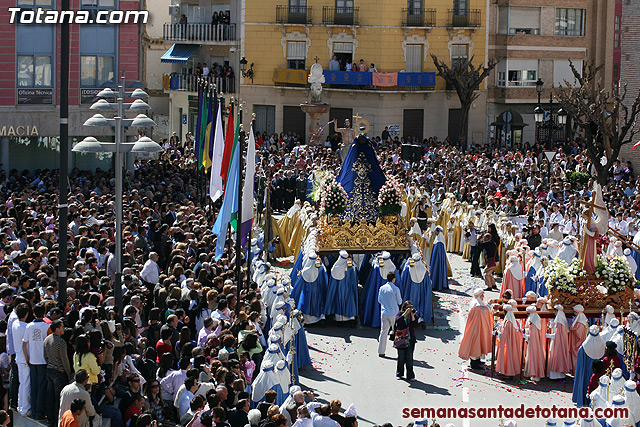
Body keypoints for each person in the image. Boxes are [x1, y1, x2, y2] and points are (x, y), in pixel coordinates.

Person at [24, 302, 50, 420]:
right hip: (43, 361)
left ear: (34, 313)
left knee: (33, 387)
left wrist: (27, 358)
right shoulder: (47, 327)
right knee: (41, 387)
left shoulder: (28, 326)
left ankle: (34, 411)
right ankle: (39, 413)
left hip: (32, 360)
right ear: (44, 313)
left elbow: (24, 343)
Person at [44, 319, 72, 426]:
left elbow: (45, 356)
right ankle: (57, 421)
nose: (63, 328)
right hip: (59, 372)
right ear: (57, 329)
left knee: (49, 397)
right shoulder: (61, 342)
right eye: (62, 326)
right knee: (58, 399)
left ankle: (50, 420)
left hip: (49, 370)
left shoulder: (47, 339)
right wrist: (68, 374)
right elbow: (64, 360)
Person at [458, 288, 493, 370]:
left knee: (479, 343)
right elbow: (486, 310)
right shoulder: (477, 306)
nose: (483, 297)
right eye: (482, 295)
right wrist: (489, 304)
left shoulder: (476, 303)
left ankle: (477, 361)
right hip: (476, 327)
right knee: (476, 344)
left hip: (477, 326)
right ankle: (474, 363)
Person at [572, 325, 605, 407]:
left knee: (587, 384)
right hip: (599, 369)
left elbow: (580, 357)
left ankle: (585, 401)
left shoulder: (585, 345)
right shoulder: (602, 343)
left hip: (587, 369)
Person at [324, 250, 358, 323]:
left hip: (342, 289)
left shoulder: (336, 267)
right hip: (346, 289)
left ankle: (342, 319)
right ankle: (346, 319)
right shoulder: (350, 268)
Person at [398, 252, 432, 325]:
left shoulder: (408, 268)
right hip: (420, 291)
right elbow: (428, 284)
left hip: (410, 290)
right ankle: (419, 317)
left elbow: (403, 279)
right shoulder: (424, 270)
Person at [376, 271, 402, 358]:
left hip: (384, 312)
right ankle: (399, 351)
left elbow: (379, 300)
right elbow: (400, 301)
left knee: (383, 332)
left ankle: (381, 351)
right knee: (397, 332)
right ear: (394, 279)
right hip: (394, 313)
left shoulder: (382, 288)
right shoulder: (396, 289)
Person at [494, 304, 522, 377]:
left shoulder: (508, 322)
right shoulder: (512, 321)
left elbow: (504, 334)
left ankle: (508, 373)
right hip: (511, 342)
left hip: (507, 342)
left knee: (507, 357)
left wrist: (497, 334)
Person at [12, 303, 30, 416]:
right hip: (25, 358)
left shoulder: (14, 323)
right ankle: (25, 408)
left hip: (18, 356)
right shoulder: (25, 327)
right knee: (26, 384)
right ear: (27, 313)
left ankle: (21, 405)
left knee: (22, 383)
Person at [394, 301, 418, 381]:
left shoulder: (412, 315)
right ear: (404, 307)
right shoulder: (400, 314)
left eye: (411, 307)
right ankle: (399, 373)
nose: (409, 309)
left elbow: (415, 325)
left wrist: (413, 315)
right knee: (401, 357)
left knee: (409, 358)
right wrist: (405, 314)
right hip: (401, 339)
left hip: (410, 339)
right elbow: (398, 322)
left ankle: (410, 375)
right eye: (408, 307)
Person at [548, 304, 571, 379]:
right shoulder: (561, 320)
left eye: (555, 311)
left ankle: (556, 375)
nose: (554, 312)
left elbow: (557, 334)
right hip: (559, 342)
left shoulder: (559, 321)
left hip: (558, 342)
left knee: (556, 356)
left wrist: (550, 336)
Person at [523, 306, 545, 381]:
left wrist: (526, 336)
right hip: (533, 343)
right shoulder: (534, 321)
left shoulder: (534, 324)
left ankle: (535, 374)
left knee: (533, 357)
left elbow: (533, 336)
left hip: (533, 344)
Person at [430, 226, 449, 291]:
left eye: (435, 231)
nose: (434, 232)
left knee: (437, 270)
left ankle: (436, 284)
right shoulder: (438, 240)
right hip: (436, 260)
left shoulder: (439, 243)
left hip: (437, 261)